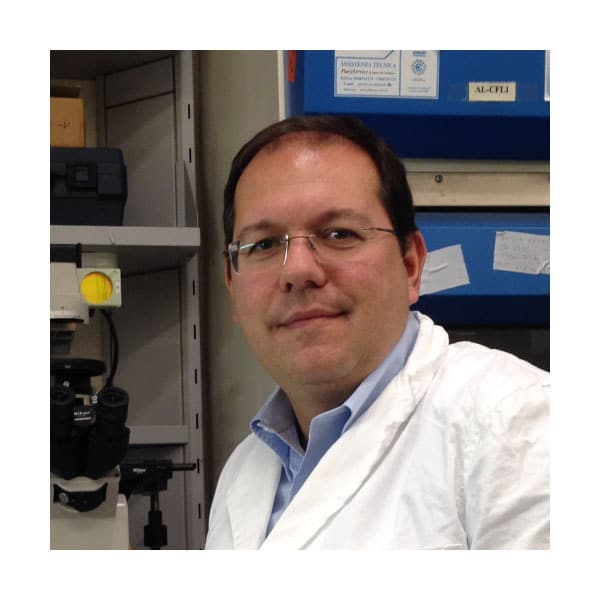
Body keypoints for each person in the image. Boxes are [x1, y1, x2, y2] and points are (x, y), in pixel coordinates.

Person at [205, 115, 549, 550]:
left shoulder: (517, 424)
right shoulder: (245, 470)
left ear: (411, 265)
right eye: (265, 244)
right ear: (232, 284)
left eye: (339, 233)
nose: (297, 271)